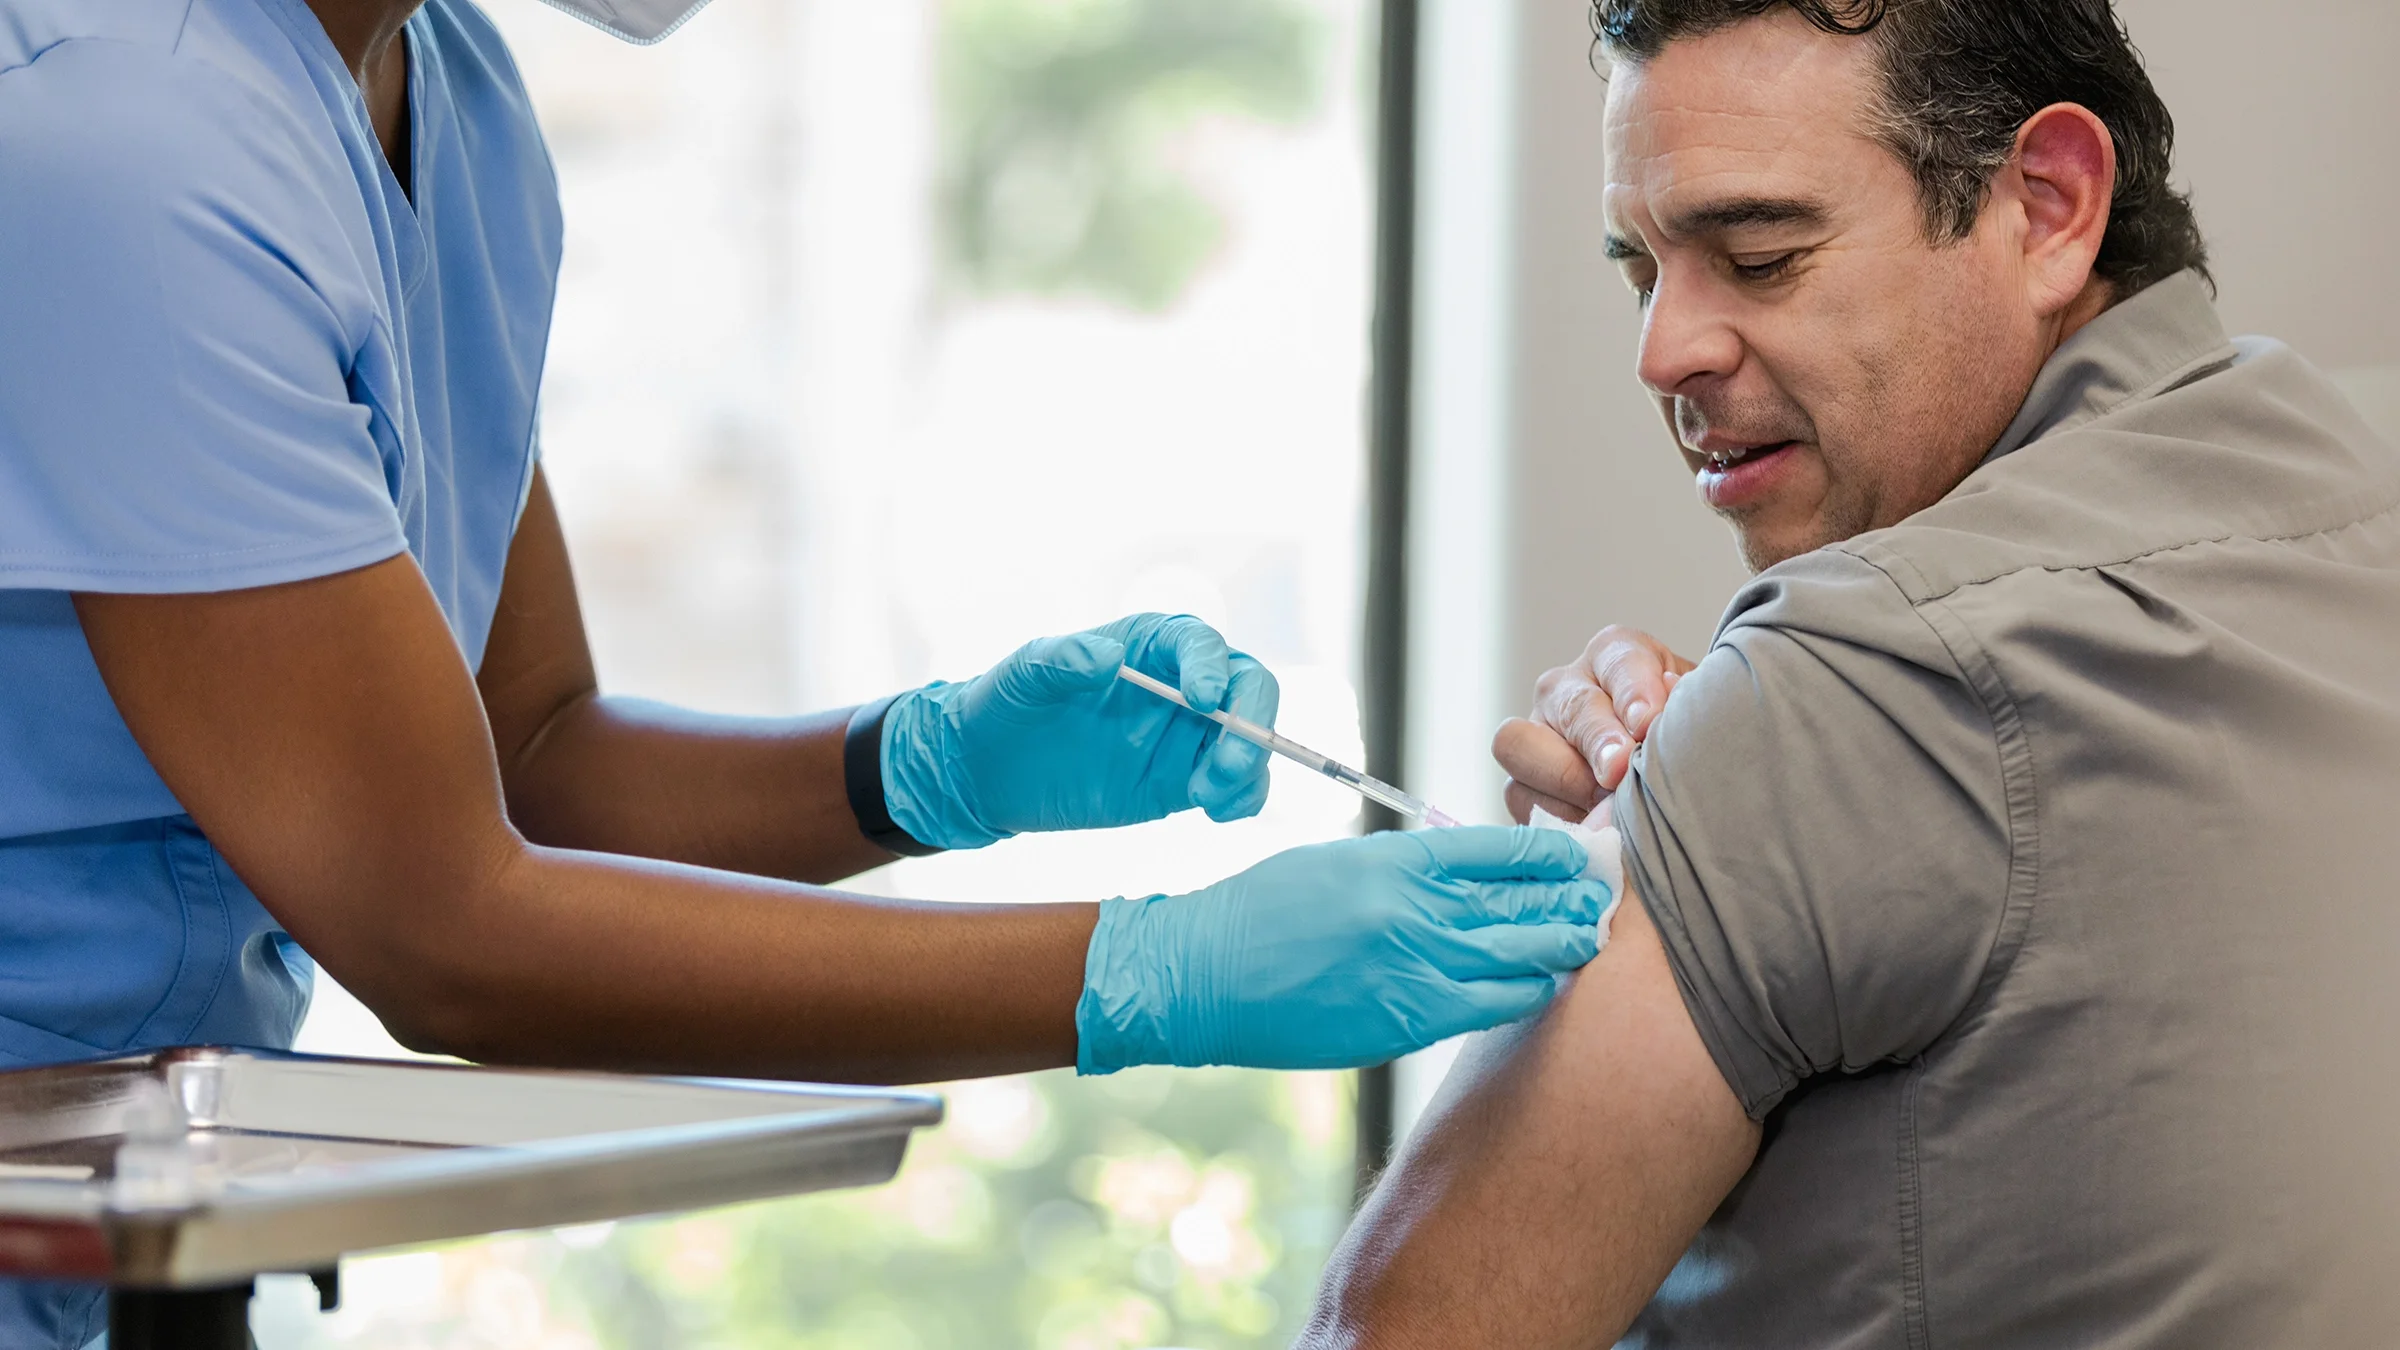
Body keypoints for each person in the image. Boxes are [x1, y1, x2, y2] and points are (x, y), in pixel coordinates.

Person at [0, 0, 1614, 1342]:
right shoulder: (124, 144)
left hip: (141, 1219)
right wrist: (1151, 971)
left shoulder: (453, 104)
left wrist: (924, 763)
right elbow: (443, 929)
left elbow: (531, 747)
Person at [1300, 1, 2400, 1345]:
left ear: (2048, 207)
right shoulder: (2352, 489)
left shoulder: (1855, 687)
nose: (1664, 352)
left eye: (1758, 255)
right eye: (1643, 267)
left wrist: (1765, 764)